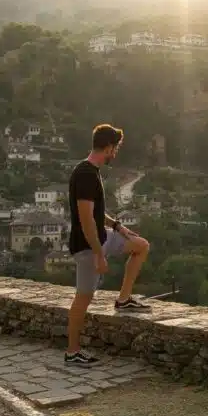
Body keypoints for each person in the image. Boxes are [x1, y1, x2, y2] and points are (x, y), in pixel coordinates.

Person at [65, 123, 151, 366]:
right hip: (87, 245)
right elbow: (85, 219)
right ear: (108, 147)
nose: (116, 154)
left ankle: (123, 299)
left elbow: (97, 213)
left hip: (102, 236)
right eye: (116, 149)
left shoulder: (91, 171)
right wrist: (98, 255)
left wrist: (118, 227)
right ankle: (72, 351)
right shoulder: (84, 174)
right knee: (83, 298)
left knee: (140, 245)